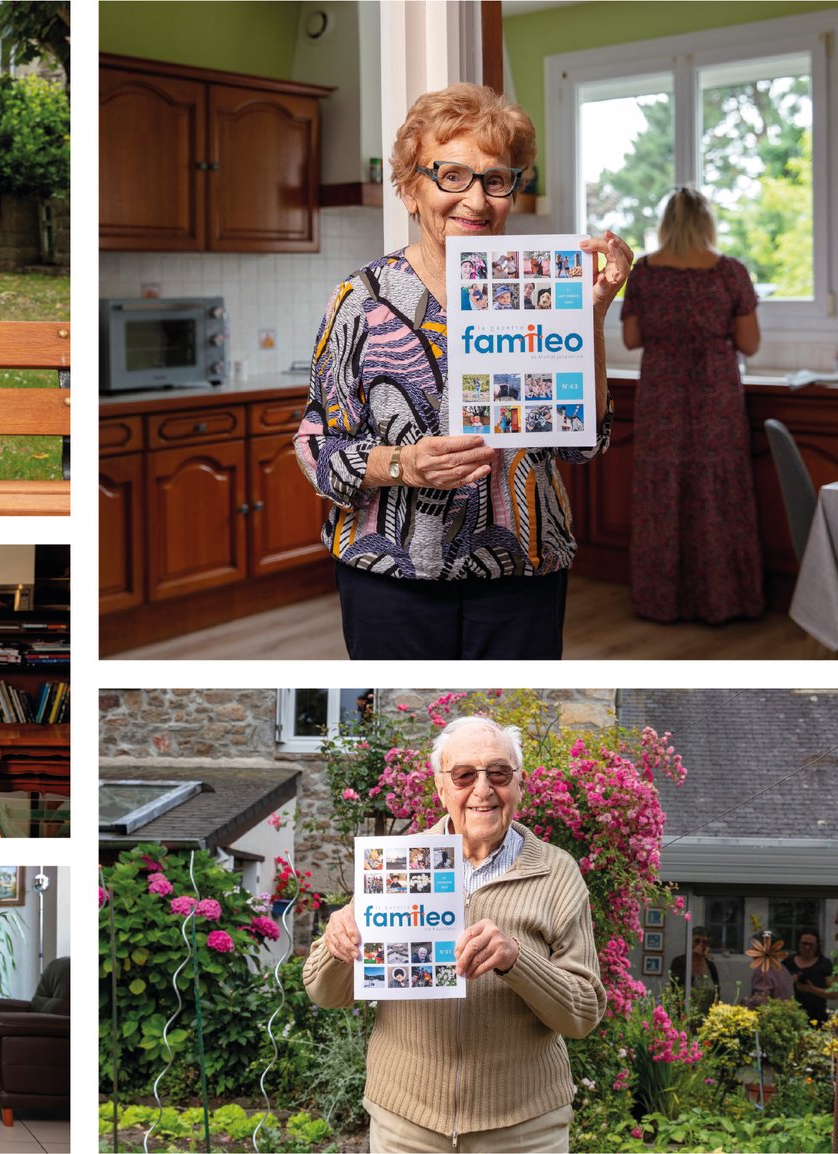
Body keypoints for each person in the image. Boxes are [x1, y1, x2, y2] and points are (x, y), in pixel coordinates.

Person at [294, 84, 633, 659]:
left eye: (497, 180)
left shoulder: (542, 288)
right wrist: (402, 463)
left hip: (522, 572)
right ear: (409, 188)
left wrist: (592, 314)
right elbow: (315, 448)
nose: (476, 201)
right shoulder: (362, 299)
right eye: (452, 176)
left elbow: (582, 446)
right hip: (390, 572)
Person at [304, 716, 605, 1152]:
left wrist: (517, 959)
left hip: (523, 1128)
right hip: (407, 1123)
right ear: (441, 789)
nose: (482, 789)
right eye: (464, 775)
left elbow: (583, 1012)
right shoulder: (400, 864)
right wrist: (337, 944)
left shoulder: (556, 873)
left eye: (498, 773)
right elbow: (324, 993)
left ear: (519, 786)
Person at [621, 187, 765, 623]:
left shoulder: (644, 272)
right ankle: (723, 600)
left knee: (661, 489)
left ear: (666, 223)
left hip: (661, 390)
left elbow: (631, 339)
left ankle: (660, 600)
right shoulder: (730, 273)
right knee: (716, 489)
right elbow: (750, 344)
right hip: (715, 392)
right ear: (706, 223)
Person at [783, 929, 835, 1026]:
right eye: (804, 944)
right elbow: (777, 987)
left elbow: (834, 993)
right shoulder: (788, 962)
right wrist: (789, 981)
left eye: (811, 945)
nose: (807, 947)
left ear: (817, 946)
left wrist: (812, 989)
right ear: (798, 944)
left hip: (817, 1017)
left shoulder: (824, 964)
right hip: (790, 1015)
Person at [670, 930, 721, 1000]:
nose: (701, 945)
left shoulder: (710, 965)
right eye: (697, 941)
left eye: (704, 942)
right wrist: (694, 959)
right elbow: (680, 987)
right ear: (690, 942)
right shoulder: (679, 962)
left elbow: (717, 992)